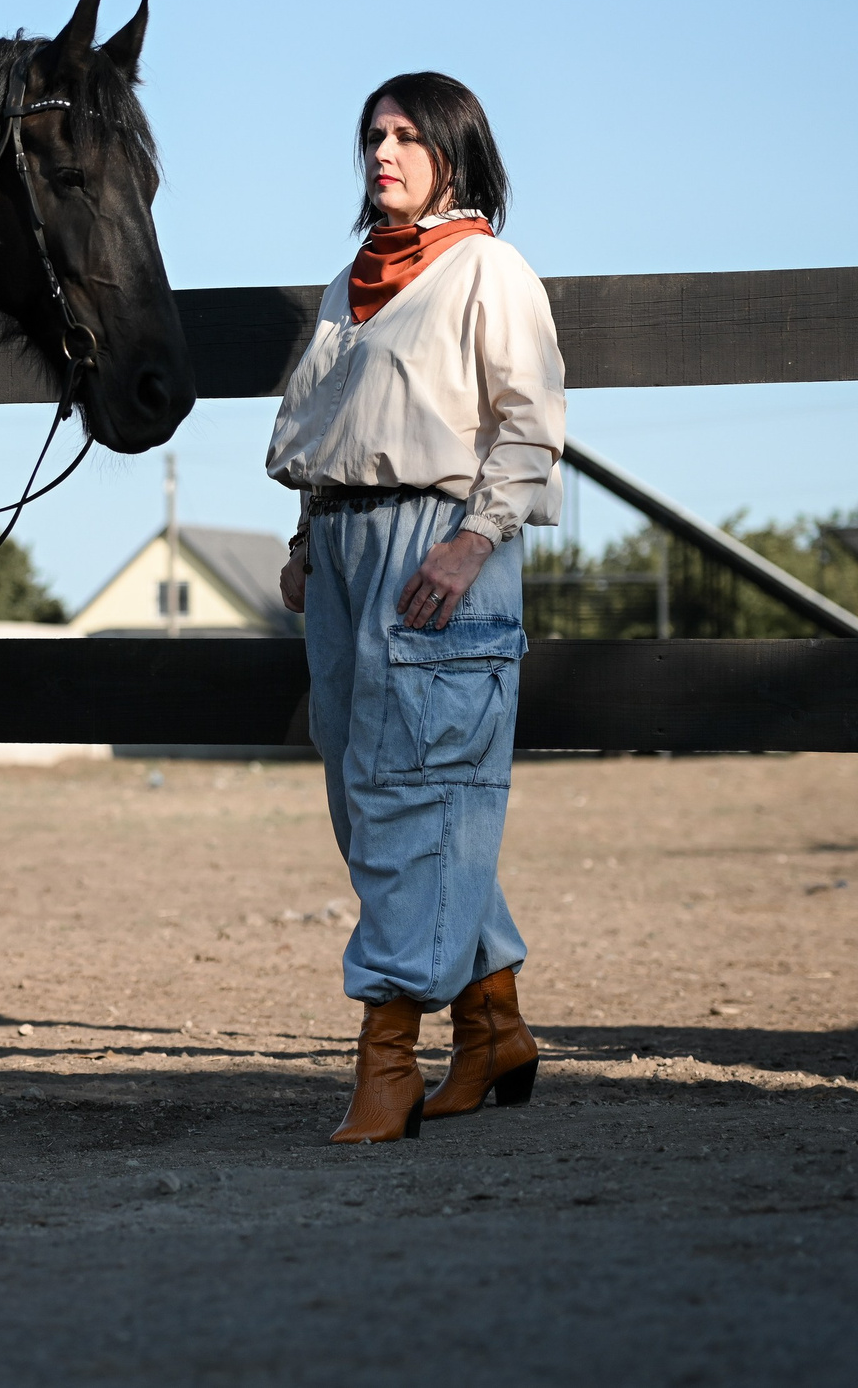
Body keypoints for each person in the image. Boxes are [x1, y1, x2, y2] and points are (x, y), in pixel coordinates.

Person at [266, 72, 566, 1143]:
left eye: (405, 136)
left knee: (416, 792)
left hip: (439, 542)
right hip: (345, 545)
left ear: (455, 153)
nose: (382, 152)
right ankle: (492, 1025)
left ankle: (386, 1059)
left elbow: (530, 426)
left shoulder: (487, 270)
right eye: (372, 136)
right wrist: (309, 539)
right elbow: (326, 420)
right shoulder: (351, 278)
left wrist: (473, 542)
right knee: (365, 793)